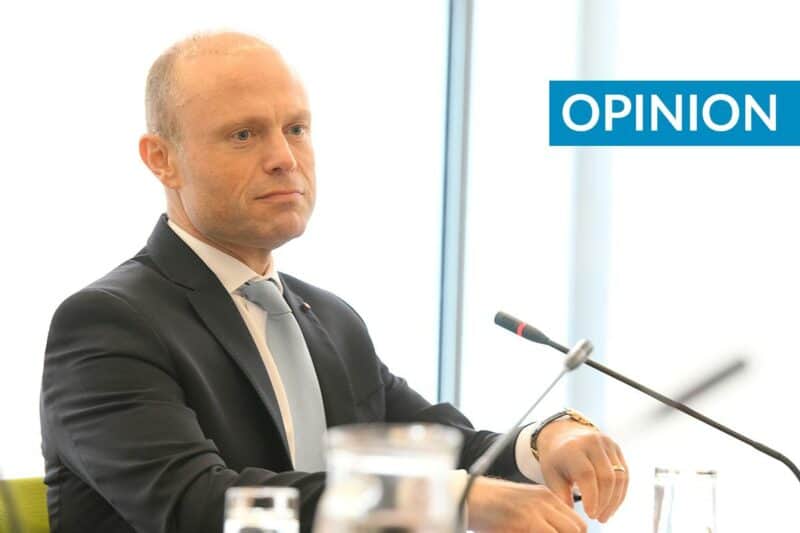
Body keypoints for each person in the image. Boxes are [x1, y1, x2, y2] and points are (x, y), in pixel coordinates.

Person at [40, 31, 628, 533]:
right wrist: (449, 498)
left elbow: (445, 448)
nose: (284, 157)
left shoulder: (328, 318)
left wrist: (546, 441)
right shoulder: (106, 324)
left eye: (296, 128)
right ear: (161, 158)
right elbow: (199, 504)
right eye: (244, 134)